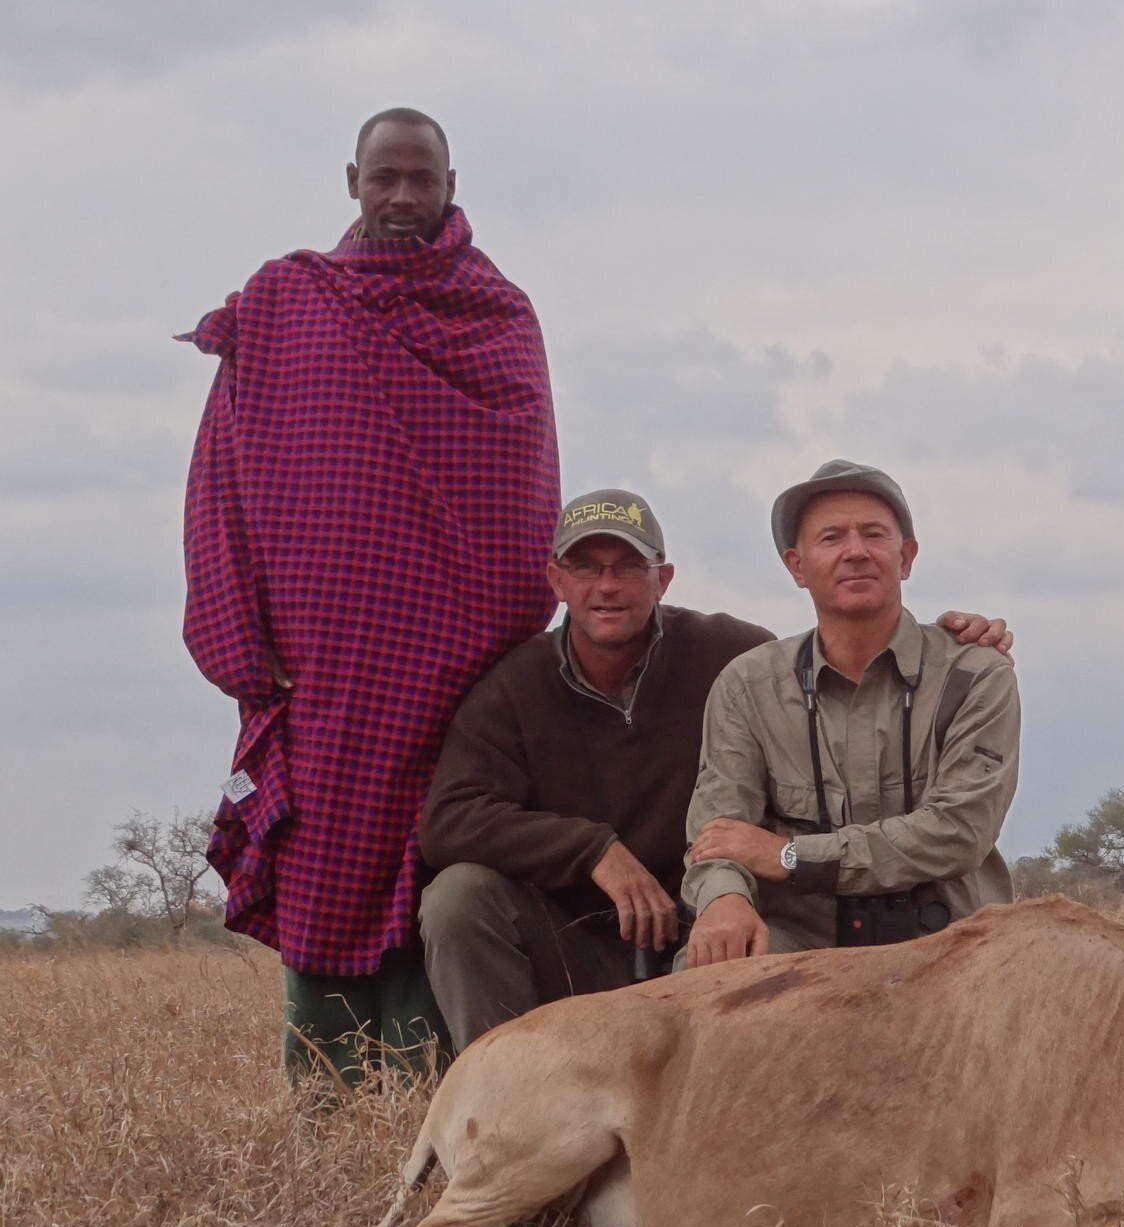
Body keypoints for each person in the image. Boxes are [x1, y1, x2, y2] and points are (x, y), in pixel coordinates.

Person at [180, 108, 559, 1086]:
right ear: (351, 179)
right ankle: (326, 1131)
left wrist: (496, 650)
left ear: (450, 182)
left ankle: (438, 1116)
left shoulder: (497, 316)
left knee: (443, 878)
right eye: (382, 177)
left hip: (454, 679)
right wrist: (233, 631)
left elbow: (523, 492)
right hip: (321, 672)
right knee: (323, 874)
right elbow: (223, 475)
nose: (399, 196)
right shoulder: (284, 300)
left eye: (418, 178)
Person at [416, 488, 1011, 1049]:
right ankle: (500, 1104)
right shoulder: (517, 684)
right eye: (585, 568)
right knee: (457, 898)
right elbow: (449, 821)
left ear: (662, 578)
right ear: (556, 581)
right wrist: (596, 853)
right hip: (590, 932)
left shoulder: (733, 656)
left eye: (627, 566)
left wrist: (955, 640)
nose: (607, 586)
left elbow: (850, 665)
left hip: (724, 920)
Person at [681, 460, 1020, 964]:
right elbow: (718, 835)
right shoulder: (747, 685)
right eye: (832, 537)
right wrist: (724, 897)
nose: (856, 552)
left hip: (952, 943)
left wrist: (788, 856)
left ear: (906, 557)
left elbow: (957, 833)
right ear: (797, 566)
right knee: (704, 967)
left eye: (874, 534)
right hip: (803, 944)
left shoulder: (976, 672)